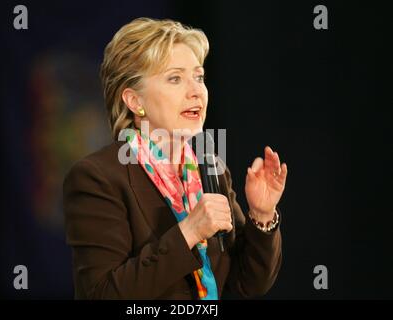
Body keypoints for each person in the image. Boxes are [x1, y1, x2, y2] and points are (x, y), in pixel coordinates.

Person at [63, 17, 288, 300]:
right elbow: (101, 295)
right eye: (175, 78)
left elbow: (247, 283)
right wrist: (189, 232)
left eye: (199, 77)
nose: (196, 91)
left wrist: (262, 214)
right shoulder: (97, 177)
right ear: (135, 101)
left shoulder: (211, 171)